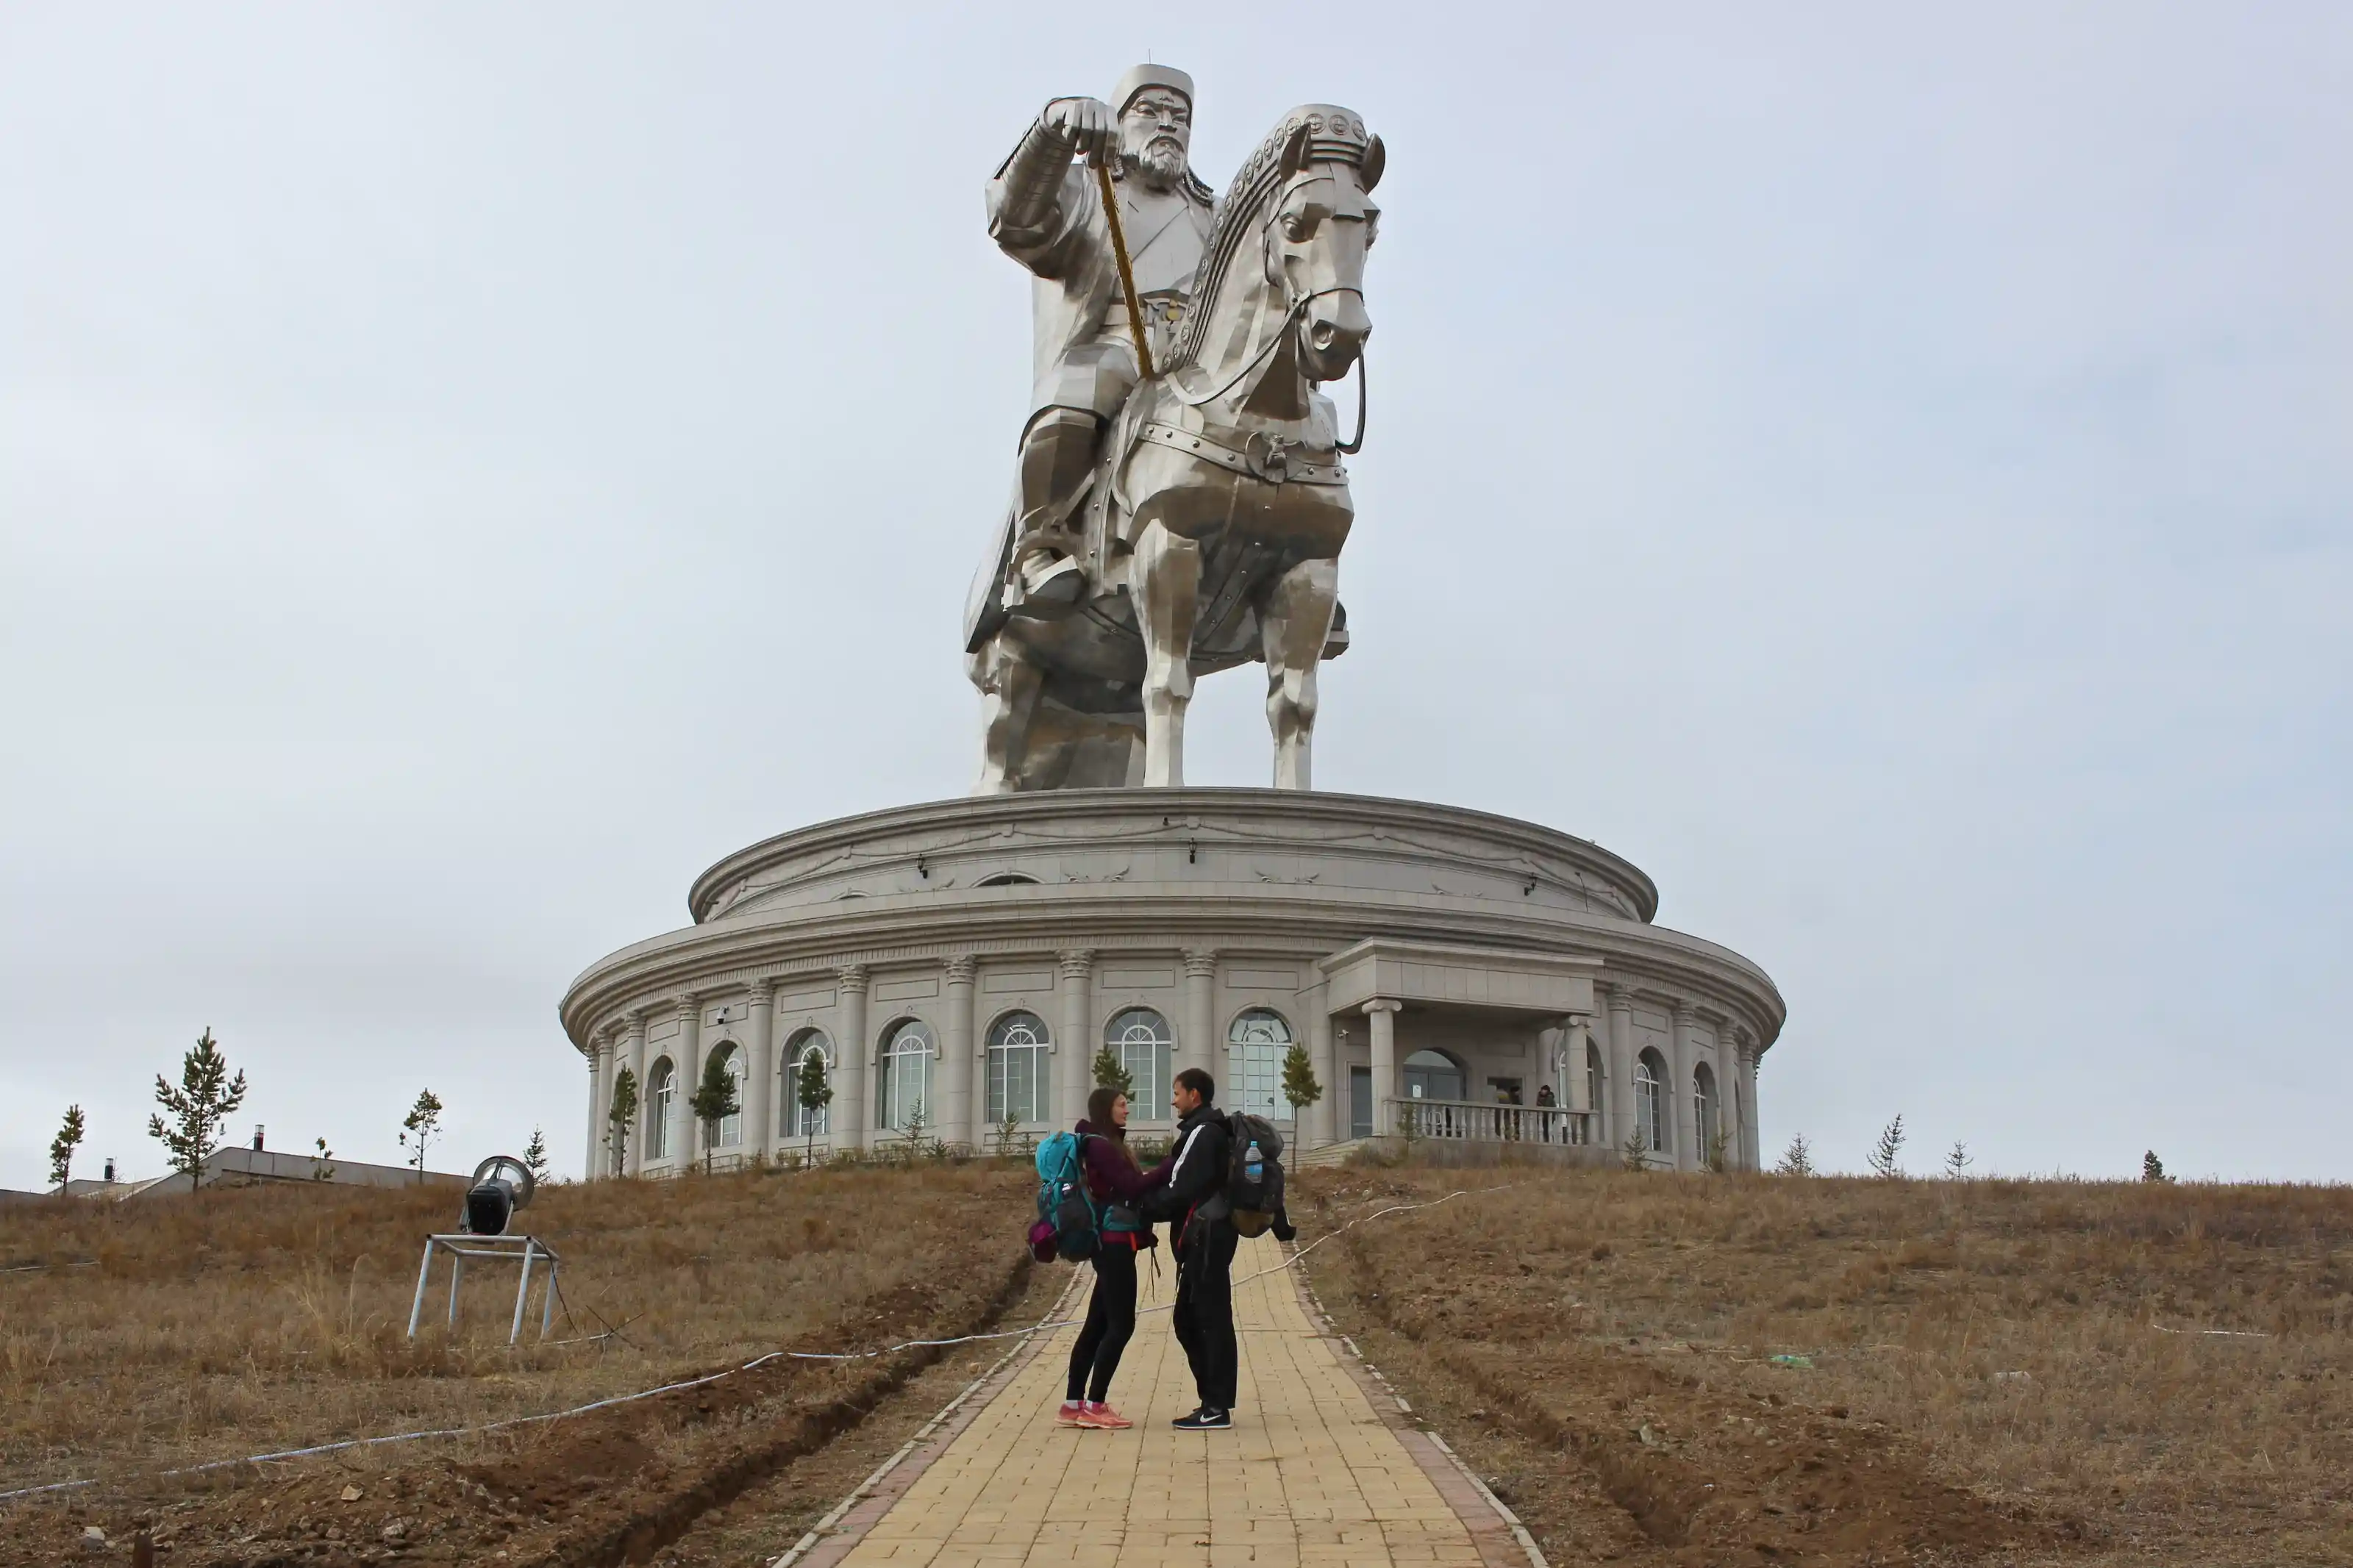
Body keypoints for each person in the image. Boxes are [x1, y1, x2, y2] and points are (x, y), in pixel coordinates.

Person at [965, 64, 1215, 647]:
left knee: (1290, 416)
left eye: (1180, 118)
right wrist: (1054, 133)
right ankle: (1041, 545)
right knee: (1076, 391)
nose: (1168, 126)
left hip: (1201, 356)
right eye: (1152, 111)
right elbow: (1015, 219)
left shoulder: (1215, 212)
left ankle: (1292, 562)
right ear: (1122, 121)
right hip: (1120, 341)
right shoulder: (1086, 189)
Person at [1057, 1086, 1163, 1431]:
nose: (1127, 1110)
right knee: (1121, 1324)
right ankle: (1095, 1405)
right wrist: (1170, 1166)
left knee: (1098, 1324)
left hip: (1113, 1242)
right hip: (1114, 1243)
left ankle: (1074, 1404)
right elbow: (1131, 1187)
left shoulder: (1099, 1143)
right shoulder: (1100, 1146)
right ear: (1106, 1109)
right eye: (1121, 1104)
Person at [1143, 1067, 1238, 1430]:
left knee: (1206, 1320)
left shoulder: (1203, 1133)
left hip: (1207, 1240)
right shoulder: (1208, 1132)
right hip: (1206, 1238)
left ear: (1194, 1096)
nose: (1173, 1100)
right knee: (1194, 1320)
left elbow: (1179, 1187)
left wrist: (1143, 1208)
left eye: (1177, 1092)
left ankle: (1216, 1407)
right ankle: (1213, 1402)